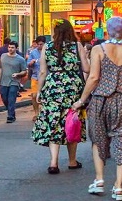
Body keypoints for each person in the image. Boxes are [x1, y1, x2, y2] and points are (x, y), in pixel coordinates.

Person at [72, 17, 122, 200]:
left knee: (98, 139)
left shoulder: (98, 49)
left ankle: (99, 179)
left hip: (102, 99)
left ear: (108, 31)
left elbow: (94, 77)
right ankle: (118, 187)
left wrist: (81, 100)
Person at [33, 20, 89, 174]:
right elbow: (86, 68)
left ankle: (53, 162)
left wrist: (39, 91)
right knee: (72, 121)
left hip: (53, 87)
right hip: (72, 88)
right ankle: (72, 161)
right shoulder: (76, 46)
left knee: (53, 123)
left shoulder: (47, 46)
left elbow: (43, 72)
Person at [0, 41, 27, 123]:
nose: (10, 49)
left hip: (14, 82)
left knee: (11, 98)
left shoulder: (20, 59)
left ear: (16, 48)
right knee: (4, 98)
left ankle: (10, 116)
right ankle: (11, 111)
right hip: (3, 81)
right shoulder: (3, 56)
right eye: (9, 47)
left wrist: (18, 74)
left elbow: (24, 71)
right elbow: (0, 68)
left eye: (12, 47)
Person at [28, 36, 46, 121]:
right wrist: (31, 62)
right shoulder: (33, 52)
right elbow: (28, 63)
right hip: (35, 77)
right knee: (34, 95)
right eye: (38, 44)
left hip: (46, 77)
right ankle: (36, 112)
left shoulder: (48, 52)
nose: (39, 46)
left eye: (41, 44)